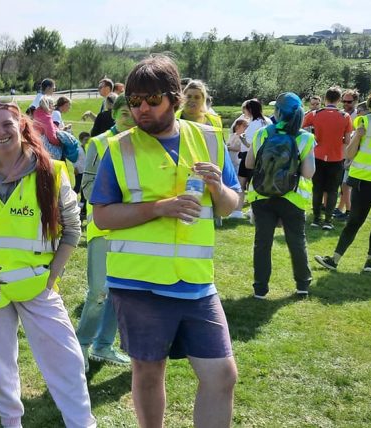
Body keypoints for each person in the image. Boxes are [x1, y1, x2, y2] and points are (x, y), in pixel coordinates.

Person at [90, 55, 240, 428]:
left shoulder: (208, 139)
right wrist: (161, 208)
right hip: (138, 283)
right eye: (135, 102)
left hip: (196, 282)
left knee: (222, 376)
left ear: (175, 99)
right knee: (148, 372)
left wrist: (217, 187)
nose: (142, 110)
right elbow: (103, 216)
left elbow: (231, 204)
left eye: (152, 101)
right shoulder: (119, 148)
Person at [0, 98, 96, 428]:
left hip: (36, 286)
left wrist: (53, 275)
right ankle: (10, 424)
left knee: (66, 360)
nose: (1, 132)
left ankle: (82, 424)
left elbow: (73, 229)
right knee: (2, 367)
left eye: (7, 124)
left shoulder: (51, 171)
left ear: (21, 125)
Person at [75, 95, 134, 373]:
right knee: (99, 291)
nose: (129, 119)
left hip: (132, 230)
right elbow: (86, 187)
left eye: (133, 113)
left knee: (118, 291)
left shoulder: (141, 144)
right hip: (103, 228)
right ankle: (82, 344)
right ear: (114, 115)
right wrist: (113, 205)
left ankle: (103, 344)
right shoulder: (98, 143)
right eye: (124, 113)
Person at [245, 93, 315, 298]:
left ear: (277, 112)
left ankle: (260, 289)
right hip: (292, 197)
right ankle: (302, 285)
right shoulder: (305, 137)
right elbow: (309, 173)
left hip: (262, 195)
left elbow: (249, 163)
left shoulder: (262, 134)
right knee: (297, 241)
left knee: (262, 243)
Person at [315, 89, 371, 275]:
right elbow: (349, 154)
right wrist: (358, 136)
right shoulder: (364, 121)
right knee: (354, 221)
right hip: (363, 181)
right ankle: (334, 260)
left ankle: (370, 262)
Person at [302, 86, 353, 230]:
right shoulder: (345, 116)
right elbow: (348, 140)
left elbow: (300, 126)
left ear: (325, 98)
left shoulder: (315, 114)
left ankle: (316, 218)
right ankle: (328, 221)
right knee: (332, 190)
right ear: (339, 100)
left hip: (317, 156)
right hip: (336, 157)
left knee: (317, 188)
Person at [334, 89, 361, 221]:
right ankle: (340, 208)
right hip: (342, 153)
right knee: (343, 184)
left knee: (346, 184)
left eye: (349, 101)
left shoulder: (358, 116)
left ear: (355, 101)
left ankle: (344, 210)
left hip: (353, 154)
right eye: (343, 101)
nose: (345, 103)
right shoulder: (342, 114)